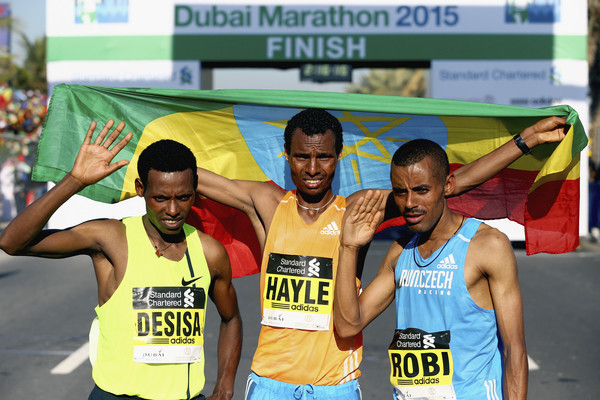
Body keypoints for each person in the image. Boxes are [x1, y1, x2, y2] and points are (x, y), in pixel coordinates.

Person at [194, 108, 567, 399]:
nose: (312, 168)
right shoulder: (267, 203)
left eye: (324, 157)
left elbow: (453, 182)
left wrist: (527, 140)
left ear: (339, 157)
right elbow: (187, 177)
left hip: (335, 386)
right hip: (269, 382)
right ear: (286, 157)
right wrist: (153, 149)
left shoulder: (358, 210)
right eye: (301, 156)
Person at [0, 120, 242, 400]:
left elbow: (231, 318)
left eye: (184, 197)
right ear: (140, 189)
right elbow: (11, 242)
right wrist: (74, 181)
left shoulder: (210, 252)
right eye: (160, 198)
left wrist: (224, 385)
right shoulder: (112, 238)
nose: (173, 209)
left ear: (195, 189)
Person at [334, 138, 534, 400]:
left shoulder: (487, 245)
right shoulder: (400, 252)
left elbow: (514, 349)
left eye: (421, 190)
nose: (409, 203)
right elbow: (348, 326)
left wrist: (528, 139)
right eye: (400, 192)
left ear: (447, 186)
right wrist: (349, 248)